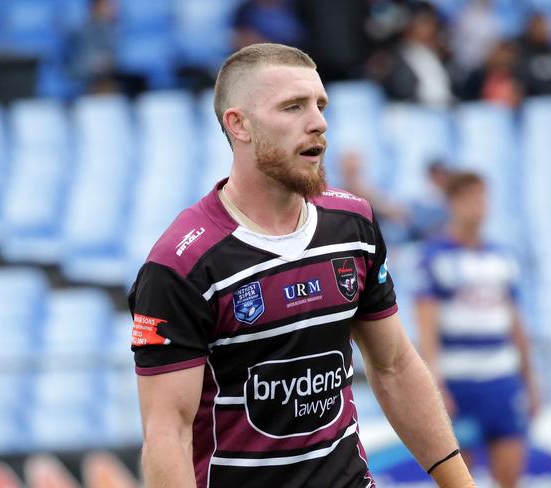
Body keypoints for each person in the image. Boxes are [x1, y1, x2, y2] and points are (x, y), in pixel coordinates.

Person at [129, 43, 476, 488]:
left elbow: (394, 367)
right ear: (239, 125)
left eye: (320, 105)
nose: (318, 123)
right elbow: (166, 434)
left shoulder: (353, 223)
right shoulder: (181, 264)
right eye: (293, 107)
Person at [414, 172, 540, 487]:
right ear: (452, 203)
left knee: (511, 474)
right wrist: (436, 386)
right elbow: (426, 329)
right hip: (460, 384)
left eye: (483, 198)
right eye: (471, 199)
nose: (479, 207)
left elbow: (516, 324)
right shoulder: (434, 257)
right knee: (459, 479)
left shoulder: (502, 258)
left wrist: (531, 380)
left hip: (502, 381)